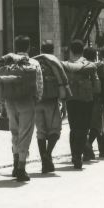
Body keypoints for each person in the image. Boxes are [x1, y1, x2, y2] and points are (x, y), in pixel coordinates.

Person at [0, 35, 43, 182]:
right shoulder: (33, 63)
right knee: (25, 134)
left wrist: (3, 103)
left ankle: (15, 163)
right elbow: (39, 84)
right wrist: (37, 99)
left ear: (16, 47)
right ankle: (22, 167)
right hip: (27, 102)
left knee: (15, 132)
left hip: (10, 102)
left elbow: (0, 84)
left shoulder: (7, 62)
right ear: (28, 47)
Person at [32, 40, 71, 173]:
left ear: (41, 49)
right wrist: (64, 104)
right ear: (53, 50)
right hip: (51, 102)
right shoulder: (55, 63)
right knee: (55, 130)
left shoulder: (35, 62)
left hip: (37, 102)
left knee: (40, 132)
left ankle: (44, 163)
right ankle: (47, 155)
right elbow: (63, 84)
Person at [61, 39, 100, 170]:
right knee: (83, 129)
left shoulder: (65, 65)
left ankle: (74, 155)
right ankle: (79, 155)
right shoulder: (90, 65)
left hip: (71, 100)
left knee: (73, 129)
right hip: (87, 101)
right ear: (82, 51)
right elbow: (97, 87)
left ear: (71, 51)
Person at [83, 46, 104, 160]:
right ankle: (89, 146)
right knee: (98, 125)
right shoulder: (98, 67)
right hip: (96, 99)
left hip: (82, 100)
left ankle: (88, 151)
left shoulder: (81, 67)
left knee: (86, 125)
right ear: (95, 56)